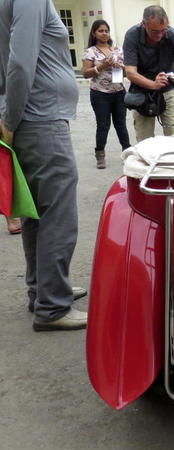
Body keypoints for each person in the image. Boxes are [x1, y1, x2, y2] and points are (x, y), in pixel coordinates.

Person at [0, 0, 87, 331]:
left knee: (35, 212)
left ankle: (43, 291)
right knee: (58, 213)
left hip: (29, 116)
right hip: (40, 117)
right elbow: (20, 63)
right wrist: (9, 120)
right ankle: (52, 306)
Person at [123, 5, 174, 142]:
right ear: (143, 24)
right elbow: (130, 72)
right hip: (142, 92)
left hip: (168, 90)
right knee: (144, 141)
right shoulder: (132, 35)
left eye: (163, 30)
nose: (160, 35)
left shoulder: (172, 34)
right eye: (155, 31)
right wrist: (153, 84)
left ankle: (172, 163)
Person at [82, 20, 130, 169]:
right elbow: (85, 73)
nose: (104, 33)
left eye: (106, 31)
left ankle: (128, 153)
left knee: (121, 124)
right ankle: (100, 155)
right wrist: (103, 66)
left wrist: (120, 66)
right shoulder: (90, 51)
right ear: (94, 33)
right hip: (100, 94)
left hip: (118, 93)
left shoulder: (118, 50)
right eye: (100, 31)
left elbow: (128, 72)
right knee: (103, 125)